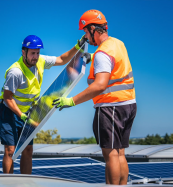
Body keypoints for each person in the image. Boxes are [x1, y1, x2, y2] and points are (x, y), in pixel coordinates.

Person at [53, 10, 137, 185]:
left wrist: (71, 101)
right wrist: (91, 56)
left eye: (85, 32)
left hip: (110, 107)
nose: (85, 37)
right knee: (120, 152)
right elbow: (114, 62)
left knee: (110, 154)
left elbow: (100, 85)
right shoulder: (117, 43)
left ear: (92, 29)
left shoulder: (102, 54)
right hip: (128, 104)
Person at [0, 35, 87, 174]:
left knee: (27, 149)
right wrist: (22, 116)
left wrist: (77, 47)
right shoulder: (15, 72)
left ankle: (25, 184)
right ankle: (9, 183)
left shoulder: (41, 61)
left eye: (38, 53)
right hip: (9, 112)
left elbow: (62, 60)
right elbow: (8, 98)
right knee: (10, 150)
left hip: (27, 112)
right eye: (33, 53)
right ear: (23, 52)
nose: (36, 56)